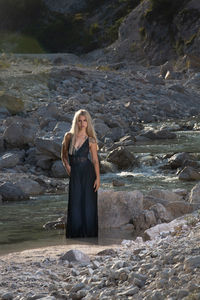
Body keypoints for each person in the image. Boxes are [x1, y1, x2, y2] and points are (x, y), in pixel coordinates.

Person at [61, 109, 100, 238]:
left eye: (85, 121)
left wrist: (98, 178)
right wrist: (68, 167)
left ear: (88, 123)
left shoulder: (91, 140)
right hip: (75, 174)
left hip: (88, 174)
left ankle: (89, 236)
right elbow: (64, 155)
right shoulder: (69, 137)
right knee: (75, 203)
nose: (82, 123)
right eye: (80, 120)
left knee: (88, 204)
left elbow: (95, 160)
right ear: (76, 122)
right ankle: (74, 236)